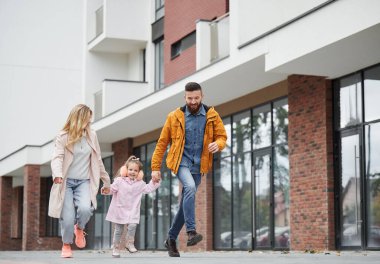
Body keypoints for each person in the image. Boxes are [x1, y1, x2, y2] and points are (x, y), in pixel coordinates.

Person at [151, 82, 227, 257]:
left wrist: (219, 144)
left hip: (199, 165)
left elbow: (222, 136)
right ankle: (191, 231)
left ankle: (170, 239)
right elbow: (162, 143)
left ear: (202, 96)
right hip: (180, 163)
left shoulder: (211, 115)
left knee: (186, 203)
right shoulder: (174, 116)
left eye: (196, 98)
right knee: (191, 188)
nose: (193, 101)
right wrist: (155, 167)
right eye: (190, 98)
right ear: (185, 97)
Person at [48, 104, 111, 258]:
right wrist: (57, 174)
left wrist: (106, 180)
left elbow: (97, 159)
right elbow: (57, 157)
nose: (89, 123)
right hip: (66, 182)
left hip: (84, 181)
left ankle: (80, 228)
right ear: (79, 119)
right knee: (68, 217)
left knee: (85, 208)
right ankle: (67, 244)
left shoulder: (92, 135)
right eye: (87, 120)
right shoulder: (63, 136)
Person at [105, 155, 160, 258]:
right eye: (130, 169)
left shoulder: (140, 184)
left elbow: (148, 188)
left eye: (135, 170)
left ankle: (129, 243)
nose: (132, 172)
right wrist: (106, 189)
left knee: (133, 225)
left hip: (132, 210)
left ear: (139, 173)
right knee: (118, 229)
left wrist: (154, 182)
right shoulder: (119, 181)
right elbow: (112, 189)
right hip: (120, 209)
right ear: (125, 170)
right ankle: (116, 248)